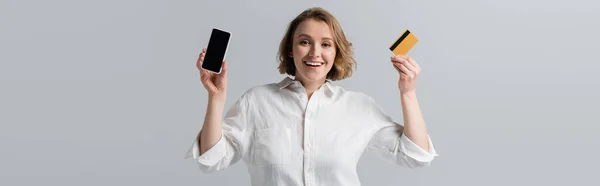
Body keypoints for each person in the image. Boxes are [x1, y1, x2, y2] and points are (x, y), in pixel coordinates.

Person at [184, 7, 439, 186]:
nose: (315, 53)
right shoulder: (257, 101)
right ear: (291, 50)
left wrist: (408, 92)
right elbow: (211, 160)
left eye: (326, 44)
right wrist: (215, 99)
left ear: (336, 52)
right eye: (305, 42)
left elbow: (415, 155)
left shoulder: (358, 107)